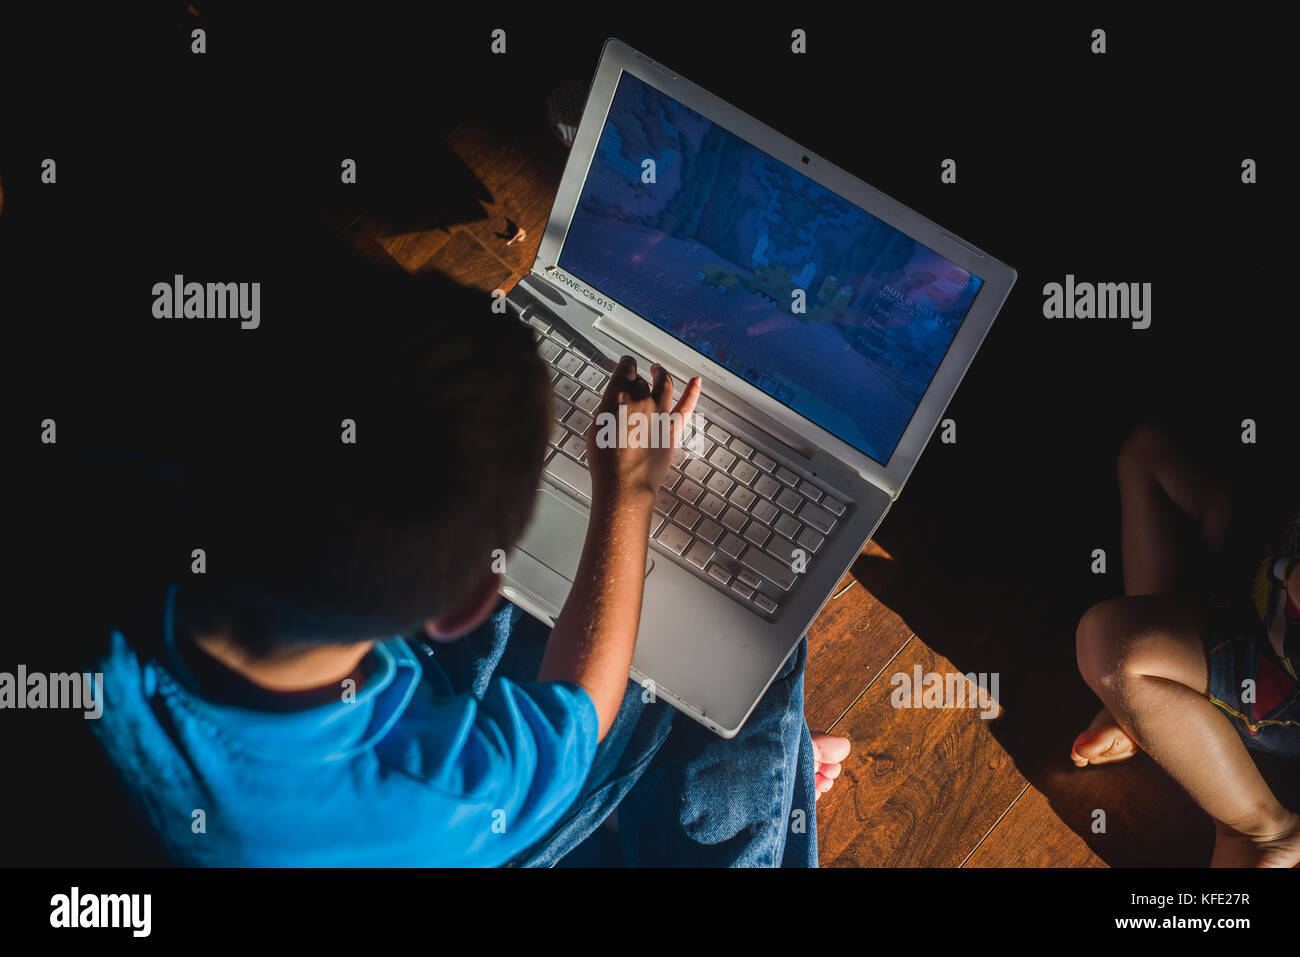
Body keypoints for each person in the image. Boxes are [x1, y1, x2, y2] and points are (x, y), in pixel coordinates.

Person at [88, 266, 849, 866]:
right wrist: (628, 495)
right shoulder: (446, 792)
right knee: (731, 670)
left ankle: (765, 775)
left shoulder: (118, 522)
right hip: (450, 845)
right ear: (464, 601)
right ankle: (764, 780)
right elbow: (581, 704)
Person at [1071, 423, 1299, 867]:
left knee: (1106, 645)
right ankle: (1150, 697)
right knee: (1149, 455)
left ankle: (1259, 830)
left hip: (1277, 673)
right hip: (1269, 557)